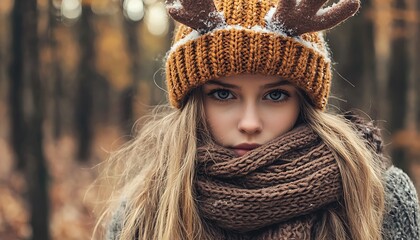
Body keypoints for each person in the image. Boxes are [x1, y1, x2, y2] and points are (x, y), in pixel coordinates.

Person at [96, 0, 420, 239]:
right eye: (223, 95)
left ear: (303, 102)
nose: (249, 123)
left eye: (275, 95)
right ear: (194, 100)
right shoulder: (143, 212)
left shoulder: (380, 200)